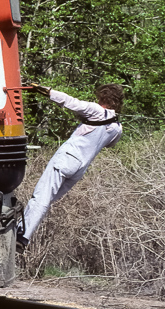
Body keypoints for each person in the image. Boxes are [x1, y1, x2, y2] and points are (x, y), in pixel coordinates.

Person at [19, 83, 124, 248]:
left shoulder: (96, 111)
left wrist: (47, 91)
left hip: (66, 160)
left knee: (41, 197)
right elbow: (110, 144)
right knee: (46, 200)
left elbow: (70, 102)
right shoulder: (117, 128)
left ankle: (22, 236)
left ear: (103, 97)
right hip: (79, 169)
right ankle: (21, 227)